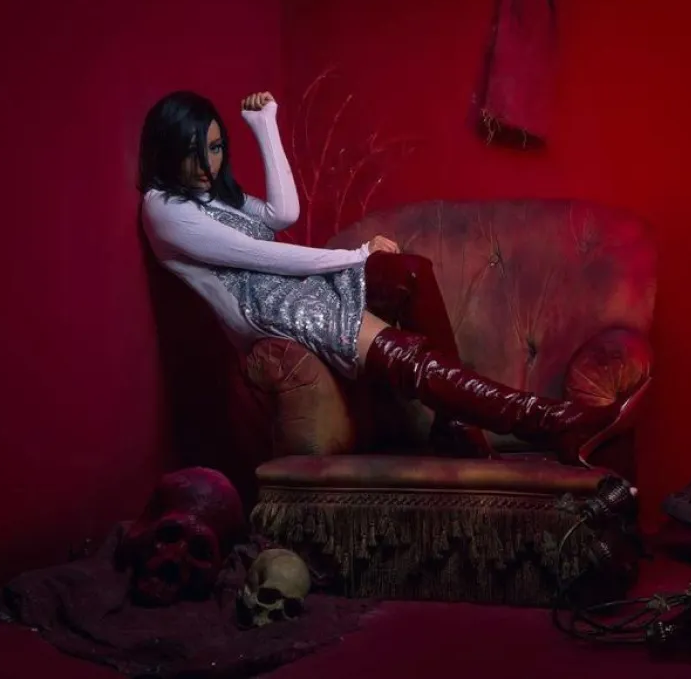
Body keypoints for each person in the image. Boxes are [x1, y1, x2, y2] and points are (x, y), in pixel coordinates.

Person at [138, 90, 635, 463]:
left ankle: (458, 425)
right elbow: (261, 256)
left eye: (215, 148)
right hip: (268, 309)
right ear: (165, 150)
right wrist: (355, 256)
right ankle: (553, 423)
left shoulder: (211, 196)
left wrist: (263, 124)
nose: (207, 165)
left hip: (294, 286)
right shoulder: (163, 209)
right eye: (192, 152)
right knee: (407, 357)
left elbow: (282, 214)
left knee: (408, 272)